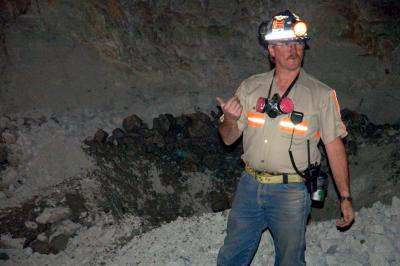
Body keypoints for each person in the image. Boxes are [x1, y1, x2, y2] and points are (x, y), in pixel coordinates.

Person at [216, 10, 355, 266]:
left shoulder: (322, 95)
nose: (294, 49)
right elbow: (228, 139)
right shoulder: (250, 87)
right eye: (285, 43)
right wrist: (231, 120)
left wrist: (345, 197)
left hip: (290, 192)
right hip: (249, 186)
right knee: (231, 256)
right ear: (271, 50)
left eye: (298, 43)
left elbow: (335, 147)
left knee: (290, 260)